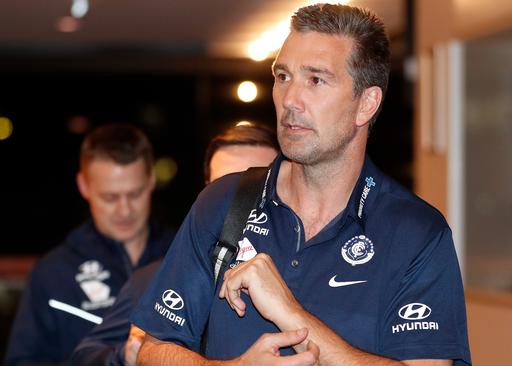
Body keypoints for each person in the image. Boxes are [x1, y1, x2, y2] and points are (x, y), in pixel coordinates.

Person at [133, 4, 471, 366]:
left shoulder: (416, 233)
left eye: (315, 80)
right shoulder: (224, 202)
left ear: (366, 104)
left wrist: (290, 313)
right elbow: (151, 351)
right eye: (283, 76)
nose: (290, 100)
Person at [70, 122, 279, 366]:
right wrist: (129, 354)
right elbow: (87, 355)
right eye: (223, 187)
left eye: (256, 188)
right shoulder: (159, 276)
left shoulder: (319, 272)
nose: (239, 204)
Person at [4, 123, 175, 365]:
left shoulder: (183, 255)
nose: (124, 210)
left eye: (135, 194)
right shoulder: (53, 274)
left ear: (151, 181)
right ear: (84, 186)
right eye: (110, 197)